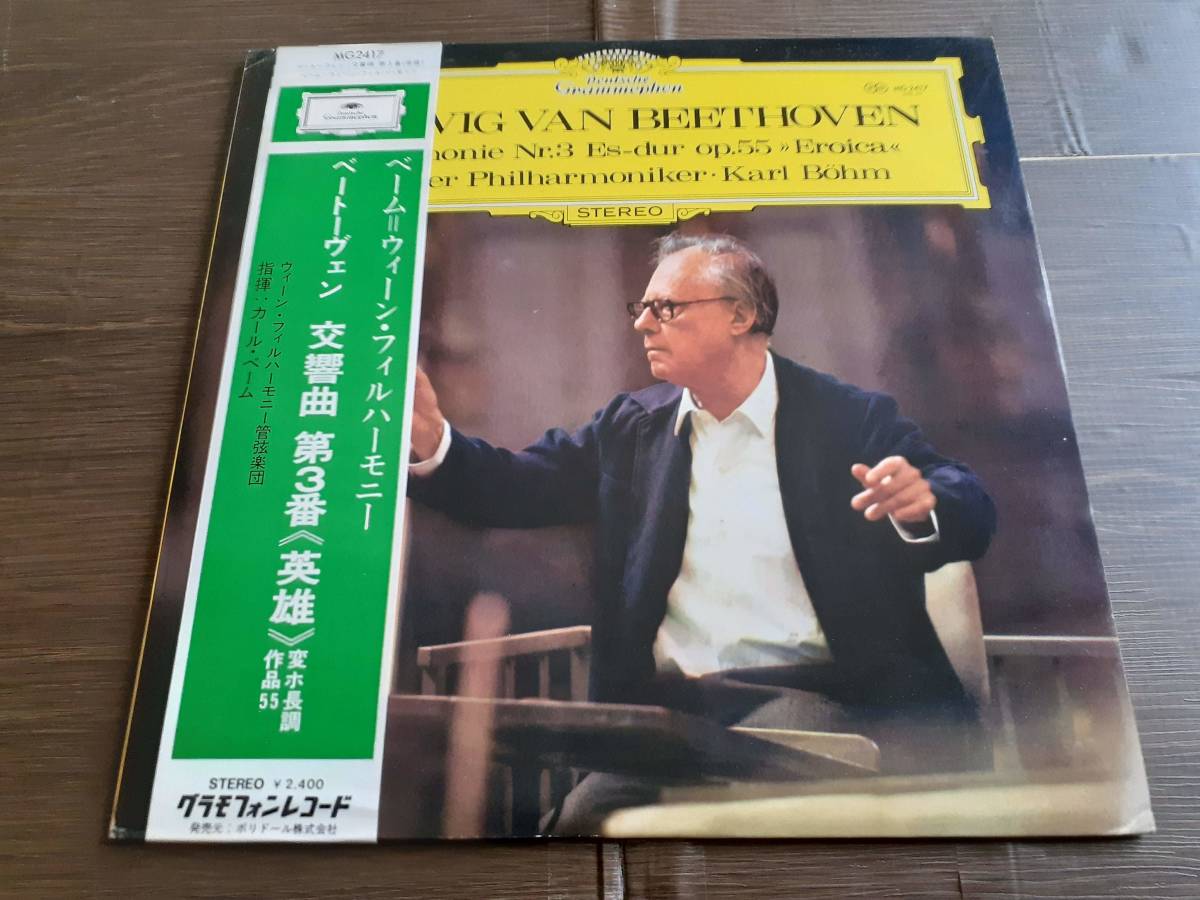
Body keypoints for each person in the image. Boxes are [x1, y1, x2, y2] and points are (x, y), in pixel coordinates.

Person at [406, 232, 996, 833]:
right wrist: (433, 442)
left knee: (747, 813)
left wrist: (924, 502)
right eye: (641, 308)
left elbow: (967, 500)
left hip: (826, 702)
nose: (643, 324)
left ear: (741, 315)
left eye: (665, 308)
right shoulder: (632, 427)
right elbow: (516, 485)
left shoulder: (848, 419)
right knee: (578, 828)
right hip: (673, 720)